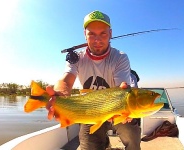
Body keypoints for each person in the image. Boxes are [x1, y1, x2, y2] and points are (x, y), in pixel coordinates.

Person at [46, 10, 141, 150]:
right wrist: (60, 93)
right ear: (85, 35)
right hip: (89, 111)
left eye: (103, 33)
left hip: (116, 109)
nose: (97, 40)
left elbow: (120, 88)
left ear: (110, 34)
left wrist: (124, 108)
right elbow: (66, 80)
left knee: (132, 136)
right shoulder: (76, 58)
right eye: (92, 34)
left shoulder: (120, 57)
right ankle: (104, 143)